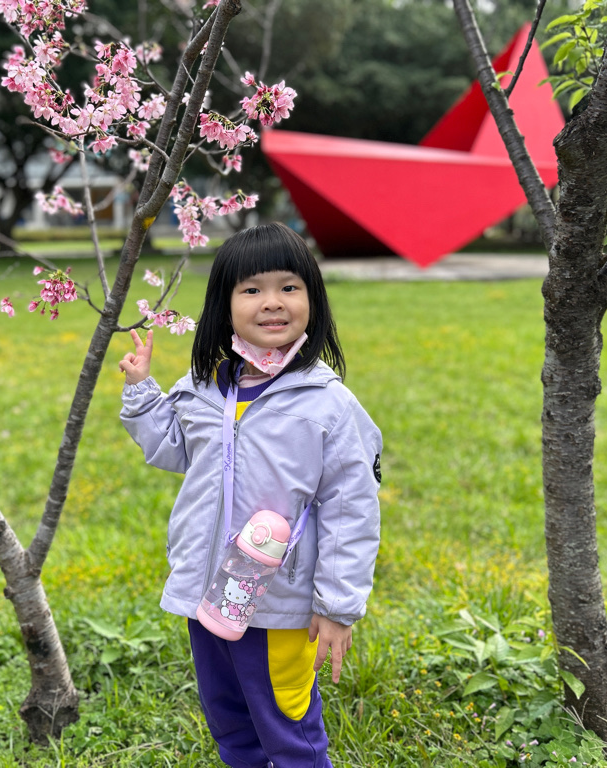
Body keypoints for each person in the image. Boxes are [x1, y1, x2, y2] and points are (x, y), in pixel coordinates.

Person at [119, 221, 382, 768]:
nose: (272, 302)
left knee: (287, 725)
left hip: (279, 602)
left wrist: (337, 605)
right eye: (252, 289)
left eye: (289, 287)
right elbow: (173, 449)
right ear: (224, 304)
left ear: (313, 299)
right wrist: (142, 391)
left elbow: (351, 508)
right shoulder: (205, 386)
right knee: (229, 720)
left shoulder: (327, 403)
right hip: (205, 590)